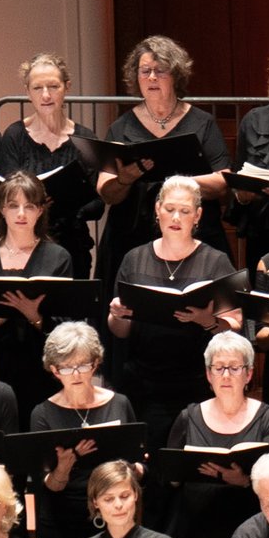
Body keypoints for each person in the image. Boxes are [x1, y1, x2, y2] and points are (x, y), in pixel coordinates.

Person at [105, 177, 240, 449]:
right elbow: (119, 330)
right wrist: (117, 315)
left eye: (185, 211)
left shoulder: (215, 261)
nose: (176, 217)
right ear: (157, 210)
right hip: (145, 381)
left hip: (197, 381)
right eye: (169, 209)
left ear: (197, 215)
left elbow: (235, 325)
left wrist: (208, 321)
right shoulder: (135, 258)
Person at [91, 36, 228, 287]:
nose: (152, 78)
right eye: (145, 71)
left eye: (160, 71)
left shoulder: (202, 122)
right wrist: (124, 179)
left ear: (176, 74)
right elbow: (106, 192)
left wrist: (179, 183)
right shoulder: (121, 128)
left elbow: (222, 182)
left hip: (192, 237)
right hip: (131, 237)